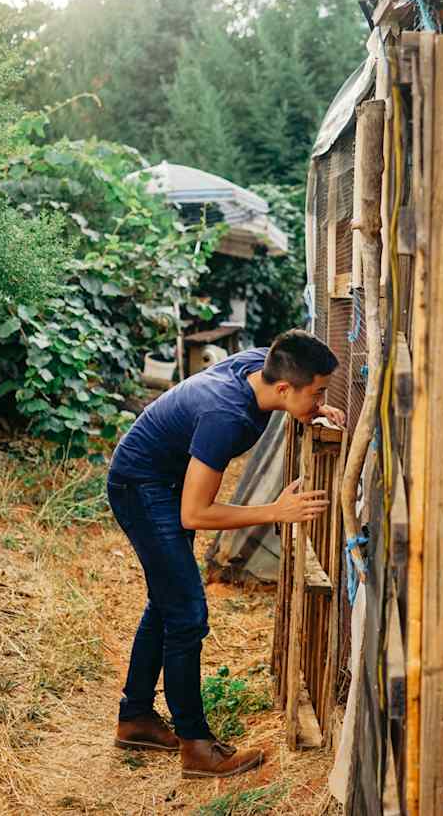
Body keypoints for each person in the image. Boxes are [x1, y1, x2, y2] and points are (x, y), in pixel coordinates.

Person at [105, 330, 345, 778]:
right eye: (318, 392)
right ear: (282, 388)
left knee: (168, 603)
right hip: (141, 488)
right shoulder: (227, 415)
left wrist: (310, 410)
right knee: (188, 615)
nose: (321, 399)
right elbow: (195, 513)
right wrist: (276, 510)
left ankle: (134, 718)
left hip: (159, 479)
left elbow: (291, 388)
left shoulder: (262, 366)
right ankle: (196, 748)